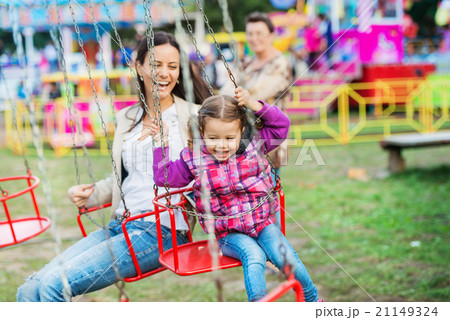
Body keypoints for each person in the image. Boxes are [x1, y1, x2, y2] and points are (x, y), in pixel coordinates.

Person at [16, 31, 210, 302]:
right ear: (139, 67)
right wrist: (91, 194)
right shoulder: (127, 117)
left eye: (172, 66)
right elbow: (126, 177)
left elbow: (220, 164)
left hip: (162, 231)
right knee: (29, 289)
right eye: (156, 65)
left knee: (53, 286)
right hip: (121, 225)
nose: (164, 73)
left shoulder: (194, 115)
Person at [150, 87, 319, 302]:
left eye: (230, 138)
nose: (221, 145)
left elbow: (281, 125)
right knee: (254, 256)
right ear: (202, 133)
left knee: (285, 255)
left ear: (241, 132)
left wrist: (253, 104)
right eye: (213, 138)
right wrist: (161, 144)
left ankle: (312, 301)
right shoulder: (193, 159)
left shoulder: (254, 145)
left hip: (262, 223)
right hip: (228, 234)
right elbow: (165, 178)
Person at [220, 12, 292, 228]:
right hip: (245, 142)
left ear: (271, 35)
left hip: (269, 140)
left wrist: (235, 94)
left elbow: (256, 92)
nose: (254, 38)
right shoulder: (248, 63)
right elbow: (225, 91)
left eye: (259, 33)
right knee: (248, 200)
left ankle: (275, 254)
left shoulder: (280, 63)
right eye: (250, 33)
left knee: (267, 200)